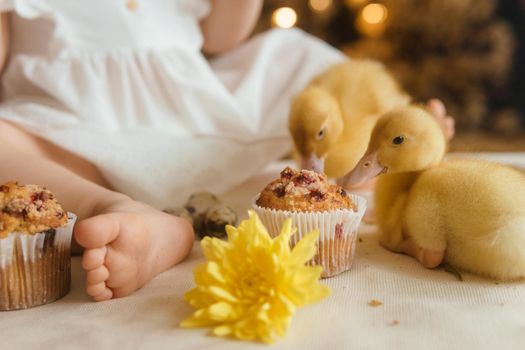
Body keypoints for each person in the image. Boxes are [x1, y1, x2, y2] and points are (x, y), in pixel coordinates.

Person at [0, 0, 347, 301]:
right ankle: (117, 212)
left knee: (303, 58)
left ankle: (360, 169)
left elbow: (221, 35)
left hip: (195, 123)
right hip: (72, 140)